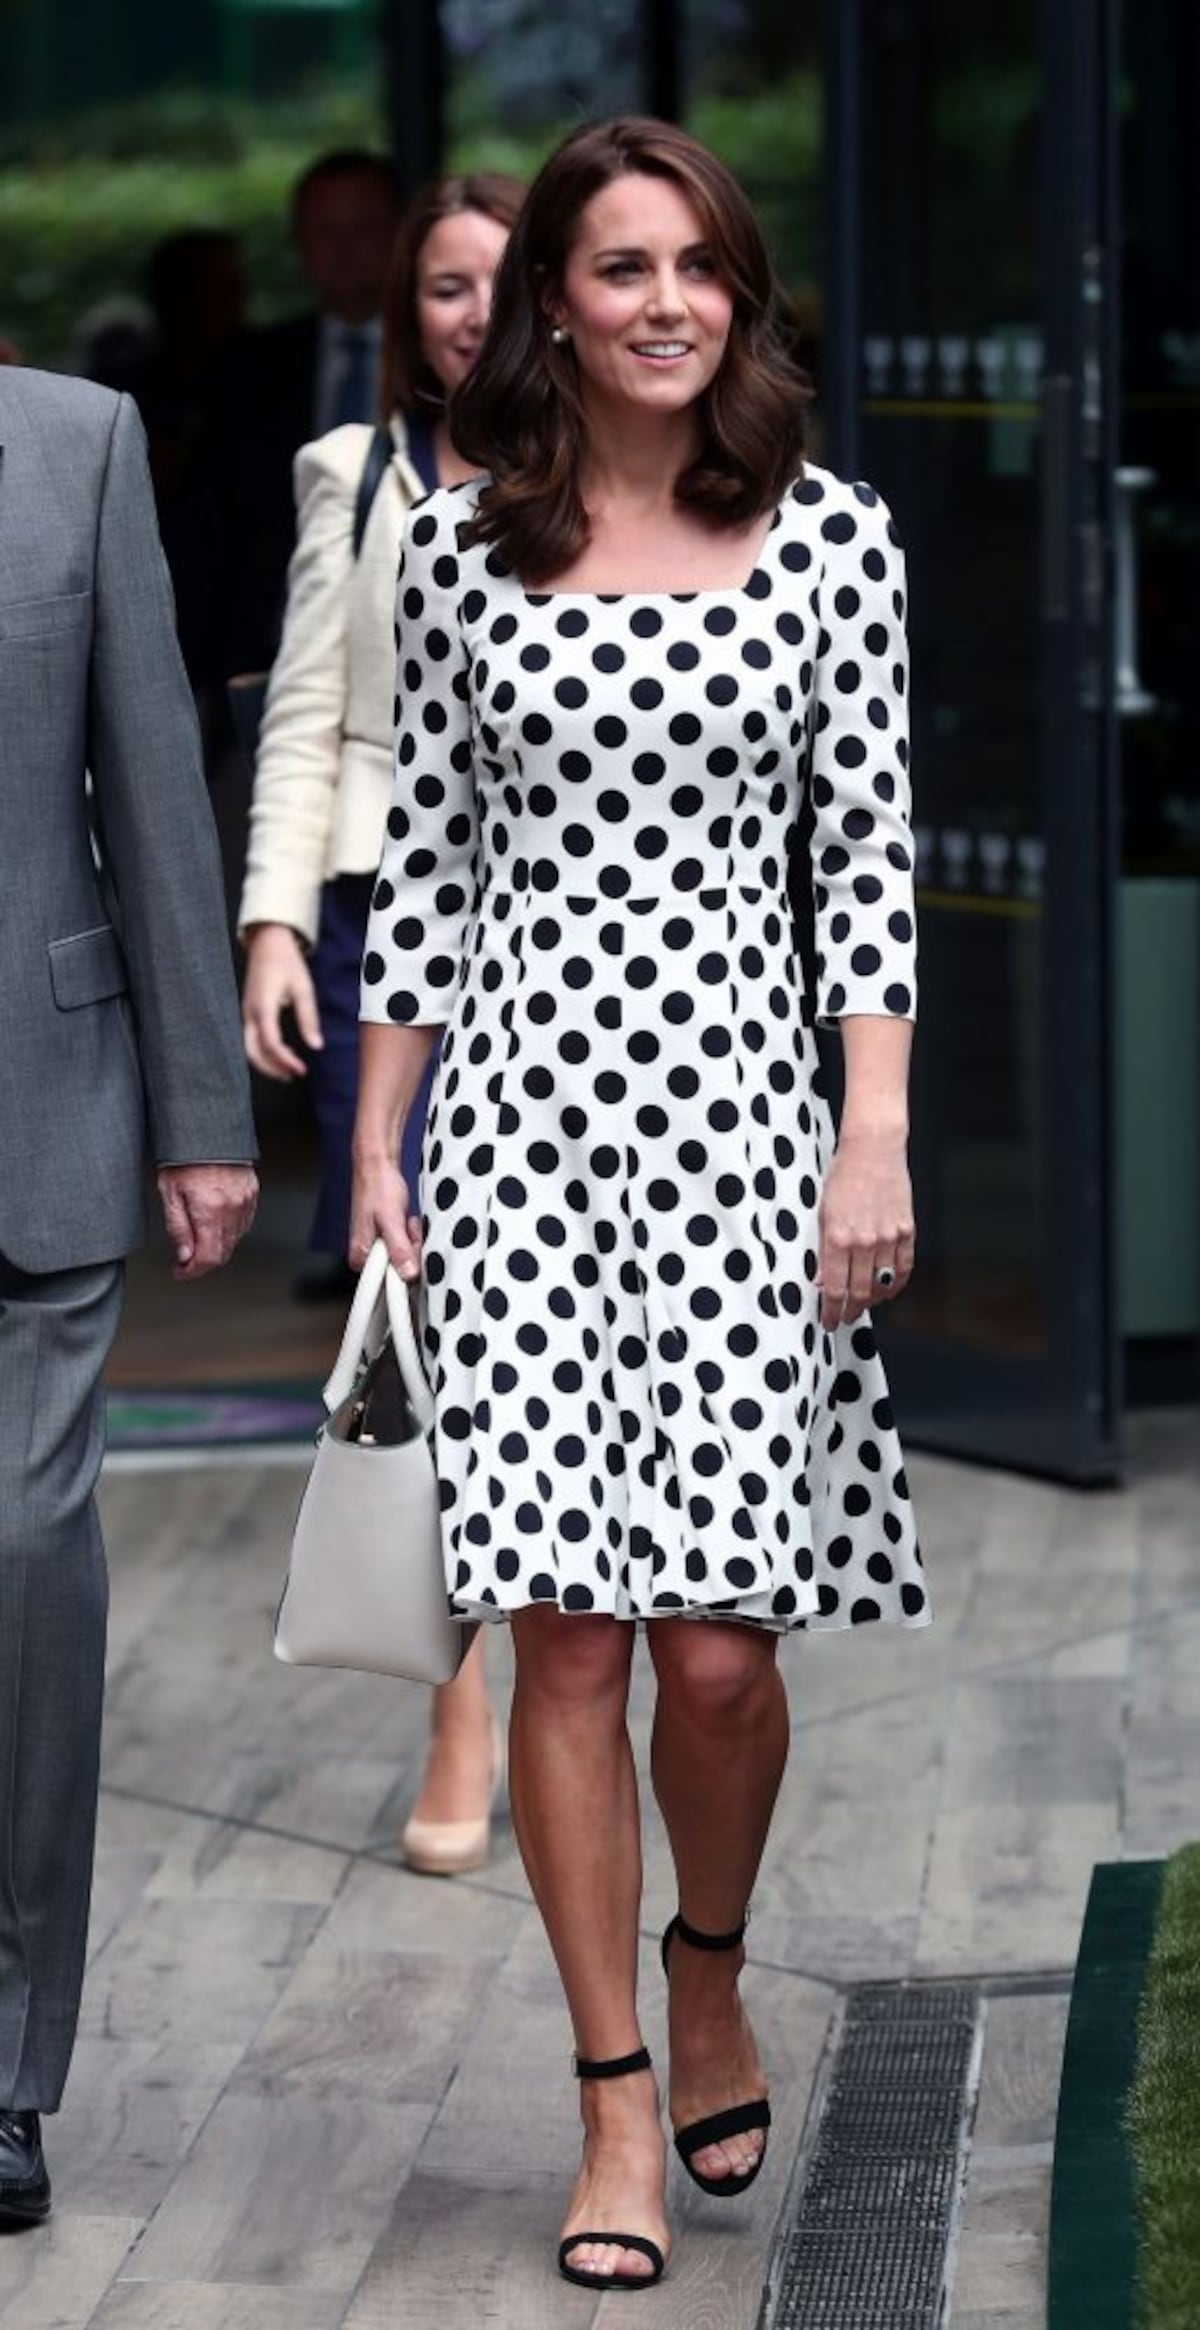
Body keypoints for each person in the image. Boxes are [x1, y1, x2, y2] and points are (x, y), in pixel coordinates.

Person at [350, 115, 928, 2289]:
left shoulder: (832, 537)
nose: (667, 300)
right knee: (569, 1640)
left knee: (717, 1655)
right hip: (516, 1143)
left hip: (743, 1145)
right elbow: (427, 869)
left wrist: (872, 1134)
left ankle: (711, 1965)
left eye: (698, 263)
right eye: (622, 267)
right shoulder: (457, 548)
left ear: (737, 290)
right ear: (556, 305)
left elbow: (870, 867)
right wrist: (383, 1146)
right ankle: (610, 2098)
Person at [239, 173, 523, 1873]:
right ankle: (456, 1703)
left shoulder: (606, 472)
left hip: (556, 931)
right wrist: (274, 922)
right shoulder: (352, 475)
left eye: (500, 280)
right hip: (373, 927)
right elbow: (304, 713)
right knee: (416, 1307)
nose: (473, 314)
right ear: (405, 315)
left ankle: (571, 1668)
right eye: (442, 288)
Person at [0, 366, 258, 2228]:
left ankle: (7, 2068)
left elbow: (155, 782)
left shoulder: (75, 445)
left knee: (24, 1556)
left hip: (44, 1103)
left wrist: (202, 1111)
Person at [189, 150, 402, 685]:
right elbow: (210, 534)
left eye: (364, 227)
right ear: (299, 242)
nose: (345, 249)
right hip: (274, 655)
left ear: (403, 232)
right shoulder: (244, 368)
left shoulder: (449, 356)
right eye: (325, 230)